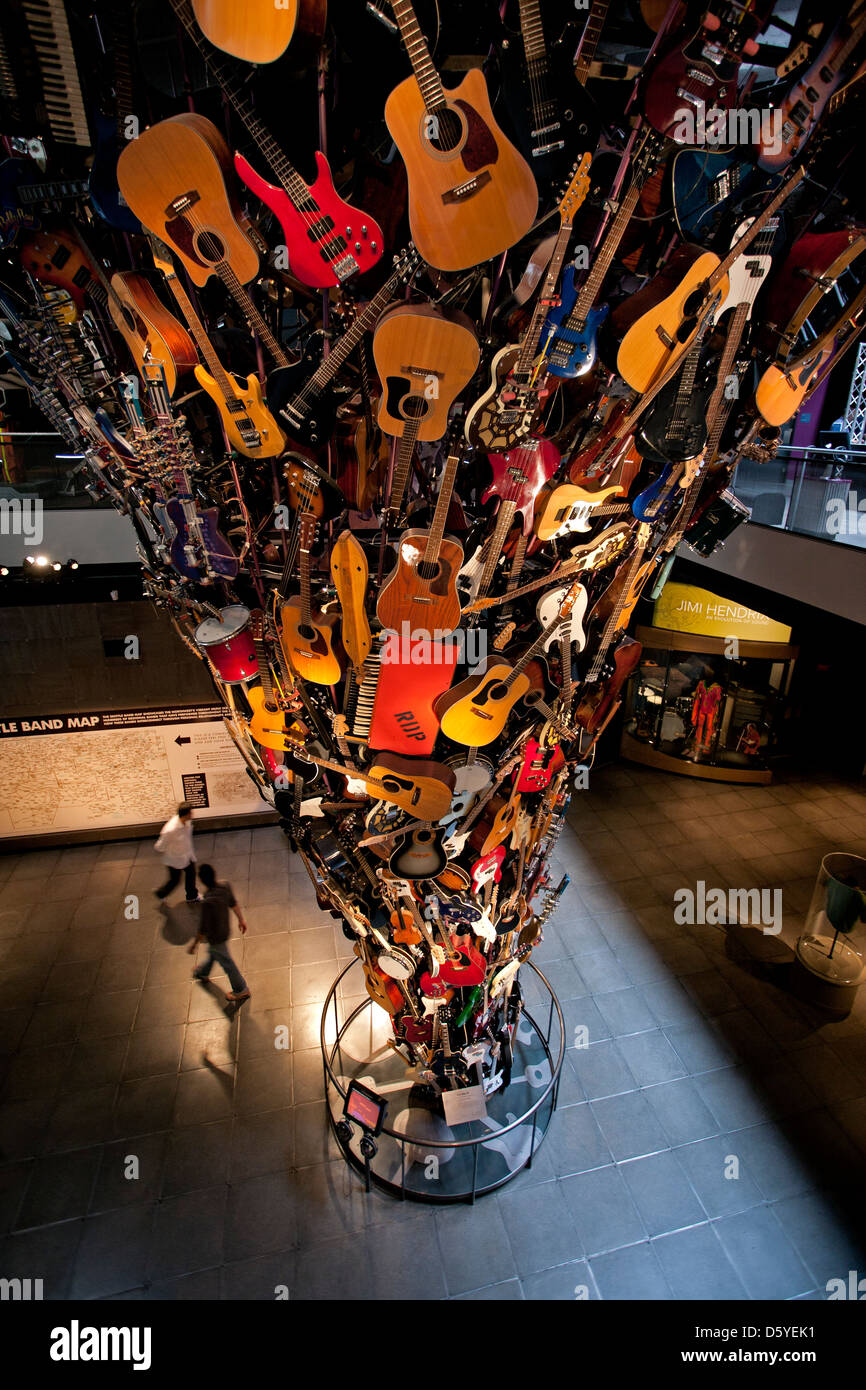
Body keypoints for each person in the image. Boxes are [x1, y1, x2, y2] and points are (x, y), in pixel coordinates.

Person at [188, 863, 250, 1002]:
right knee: (214, 953)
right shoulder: (225, 885)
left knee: (227, 962)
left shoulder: (207, 901)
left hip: (216, 937)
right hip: (225, 930)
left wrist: (194, 944)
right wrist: (241, 920)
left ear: (203, 881)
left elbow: (203, 929)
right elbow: (233, 903)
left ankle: (241, 989)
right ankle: (202, 972)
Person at [154, 803, 198, 902]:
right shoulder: (170, 830)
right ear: (186, 814)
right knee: (175, 880)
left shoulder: (187, 822)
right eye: (191, 813)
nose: (192, 814)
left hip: (187, 855)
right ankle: (161, 893)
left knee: (191, 874)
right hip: (175, 859)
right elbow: (159, 846)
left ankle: (192, 896)